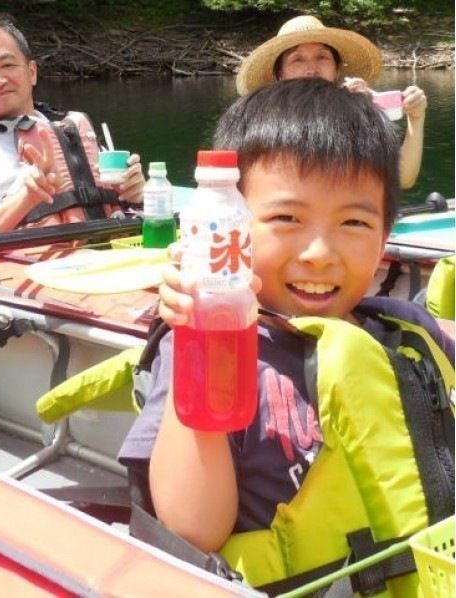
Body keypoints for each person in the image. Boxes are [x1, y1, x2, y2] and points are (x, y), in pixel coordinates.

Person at [118, 78, 454, 593]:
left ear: (386, 237)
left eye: (354, 223)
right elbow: (194, 531)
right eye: (286, 218)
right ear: (231, 226)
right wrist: (198, 338)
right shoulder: (205, 346)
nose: (320, 251)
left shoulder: (402, 332)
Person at [0, 13, 145, 239]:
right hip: (42, 265)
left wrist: (137, 192)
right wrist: (27, 197)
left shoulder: (68, 129)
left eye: (7, 65)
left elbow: (122, 198)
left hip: (112, 252)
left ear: (32, 72)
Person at [235, 15, 427, 190]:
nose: (312, 69)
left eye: (322, 57)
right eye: (297, 60)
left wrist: (416, 119)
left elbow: (402, 179)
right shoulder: (259, 122)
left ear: (336, 70)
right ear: (279, 74)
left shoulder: (354, 114)